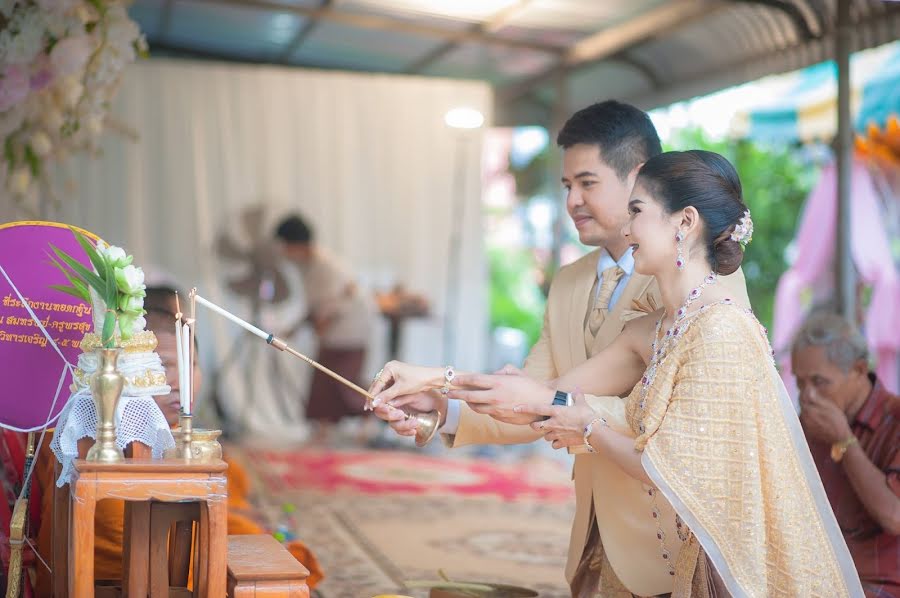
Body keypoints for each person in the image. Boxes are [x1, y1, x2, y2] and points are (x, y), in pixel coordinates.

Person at [371, 150, 863, 596]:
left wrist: (586, 425)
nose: (627, 230)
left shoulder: (720, 331)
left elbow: (669, 469)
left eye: (637, 211)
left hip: (728, 569)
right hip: (673, 559)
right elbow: (546, 393)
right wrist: (435, 383)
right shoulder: (658, 327)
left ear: (684, 222)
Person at [34, 286, 324, 592]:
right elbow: (126, 542)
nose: (179, 381)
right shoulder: (96, 437)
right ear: (127, 370)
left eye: (191, 365)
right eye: (163, 366)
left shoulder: (170, 432)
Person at [792, 311, 899, 597]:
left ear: (859, 370)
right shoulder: (805, 427)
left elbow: (894, 516)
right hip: (818, 580)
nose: (808, 396)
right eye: (800, 383)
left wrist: (844, 441)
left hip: (880, 586)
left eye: (819, 382)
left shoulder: (896, 421)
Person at [275, 214, 377, 444]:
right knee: (323, 381)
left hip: (350, 330)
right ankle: (323, 428)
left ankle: (371, 417)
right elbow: (315, 305)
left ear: (295, 244)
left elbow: (335, 302)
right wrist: (297, 327)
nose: (283, 252)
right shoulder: (308, 266)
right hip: (333, 332)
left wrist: (320, 325)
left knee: (344, 382)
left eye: (285, 246)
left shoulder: (325, 266)